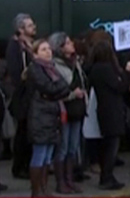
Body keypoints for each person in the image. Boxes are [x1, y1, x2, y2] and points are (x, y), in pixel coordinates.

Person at [87, 40, 130, 190]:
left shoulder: (94, 69)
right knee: (111, 146)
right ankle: (106, 177)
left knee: (107, 144)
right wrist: (127, 72)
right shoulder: (105, 69)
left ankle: (107, 175)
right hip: (111, 110)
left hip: (104, 109)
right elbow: (119, 87)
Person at [27, 39, 73, 197]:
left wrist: (54, 92)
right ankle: (36, 191)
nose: (48, 52)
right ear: (35, 53)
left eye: (48, 49)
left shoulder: (52, 68)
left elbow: (65, 87)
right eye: (43, 49)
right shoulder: (35, 69)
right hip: (40, 115)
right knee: (39, 154)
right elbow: (48, 88)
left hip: (52, 114)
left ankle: (44, 188)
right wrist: (54, 91)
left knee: (47, 156)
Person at [50, 32, 87, 194]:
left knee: (73, 147)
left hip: (78, 109)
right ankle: (61, 182)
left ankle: (70, 180)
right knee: (63, 148)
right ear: (60, 47)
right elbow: (56, 90)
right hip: (65, 109)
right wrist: (73, 94)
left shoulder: (75, 62)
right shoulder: (55, 65)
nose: (72, 44)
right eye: (68, 43)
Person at [7, 13, 36, 181]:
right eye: (30, 25)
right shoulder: (15, 46)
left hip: (31, 95)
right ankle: (19, 166)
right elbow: (16, 74)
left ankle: (28, 165)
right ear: (20, 29)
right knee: (23, 132)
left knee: (29, 131)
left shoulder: (29, 46)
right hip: (22, 96)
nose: (34, 28)